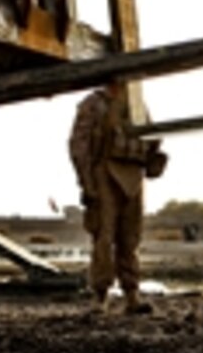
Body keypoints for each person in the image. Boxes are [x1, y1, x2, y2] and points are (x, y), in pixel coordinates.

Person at [69, 83, 167, 314]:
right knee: (104, 236)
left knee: (130, 238)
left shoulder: (137, 104)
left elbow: (151, 137)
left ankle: (131, 294)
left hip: (134, 174)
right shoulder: (94, 102)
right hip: (105, 172)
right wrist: (87, 180)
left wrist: (154, 158)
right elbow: (79, 144)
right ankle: (100, 297)